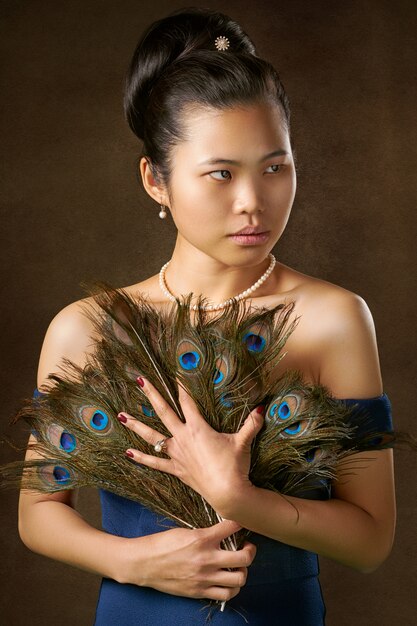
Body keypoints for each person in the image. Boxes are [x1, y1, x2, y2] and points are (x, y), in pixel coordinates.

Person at [17, 7, 396, 625]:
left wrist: (237, 496)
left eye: (276, 167)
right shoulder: (86, 327)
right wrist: (133, 561)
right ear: (156, 181)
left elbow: (372, 539)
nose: (253, 202)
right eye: (221, 174)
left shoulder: (335, 320)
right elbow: (39, 511)